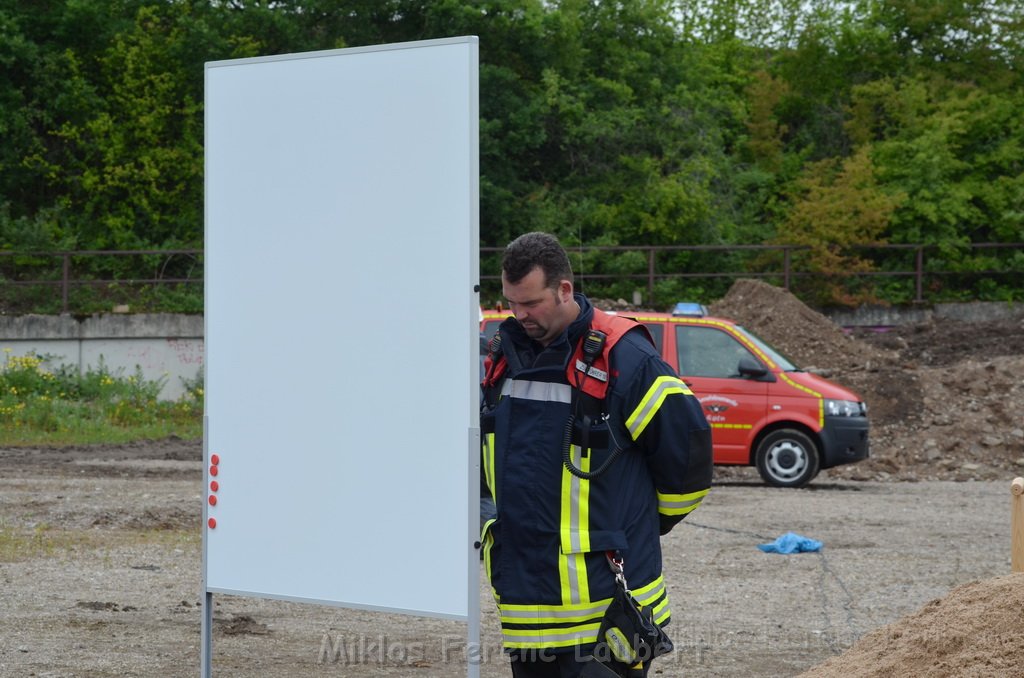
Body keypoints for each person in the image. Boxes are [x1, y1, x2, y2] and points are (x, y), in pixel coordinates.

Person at [480, 232, 713, 677]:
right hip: (529, 612)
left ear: (564, 289)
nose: (519, 315)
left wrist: (643, 523)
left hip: (606, 610)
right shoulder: (505, 357)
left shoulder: (626, 358)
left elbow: (688, 459)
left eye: (531, 303)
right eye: (511, 303)